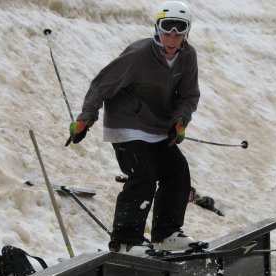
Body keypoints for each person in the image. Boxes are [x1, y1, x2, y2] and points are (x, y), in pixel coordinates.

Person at [68, 1, 201, 256]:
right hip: (127, 123)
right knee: (143, 175)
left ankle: (166, 234)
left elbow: (189, 96)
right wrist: (87, 116)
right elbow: (101, 85)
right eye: (166, 31)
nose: (172, 38)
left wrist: (180, 120)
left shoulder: (187, 57)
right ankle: (125, 240)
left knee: (178, 172)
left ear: (186, 33)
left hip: (158, 127)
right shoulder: (139, 55)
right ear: (157, 28)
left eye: (178, 32)